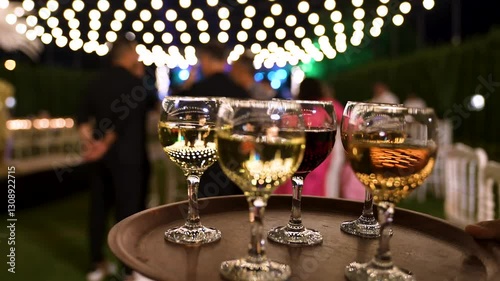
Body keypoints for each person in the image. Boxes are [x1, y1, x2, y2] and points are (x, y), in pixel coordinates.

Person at [77, 38, 157, 281]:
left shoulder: (94, 81)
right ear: (129, 54)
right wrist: (104, 145)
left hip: (98, 160)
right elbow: (125, 120)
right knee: (129, 213)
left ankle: (95, 264)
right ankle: (128, 269)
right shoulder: (135, 83)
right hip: (129, 161)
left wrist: (92, 143)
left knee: (98, 209)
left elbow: (81, 118)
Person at [274, 78, 365, 199]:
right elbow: (350, 122)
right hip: (318, 158)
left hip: (294, 157)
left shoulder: (292, 107)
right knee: (314, 195)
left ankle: (293, 210)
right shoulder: (328, 105)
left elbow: (282, 129)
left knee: (290, 191)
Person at [178, 42, 249, 198]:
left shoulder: (196, 91)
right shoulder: (240, 91)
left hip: (203, 156)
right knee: (231, 206)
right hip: (233, 159)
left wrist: (187, 84)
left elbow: (177, 113)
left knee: (206, 205)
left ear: (206, 59)